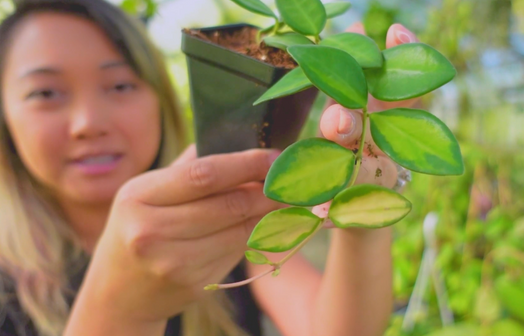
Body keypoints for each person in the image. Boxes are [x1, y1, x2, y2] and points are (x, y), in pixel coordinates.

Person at [0, 1, 420, 335]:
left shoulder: (220, 215)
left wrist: (365, 198)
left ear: (160, 97)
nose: (88, 123)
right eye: (45, 92)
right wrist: (120, 307)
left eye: (120, 85)